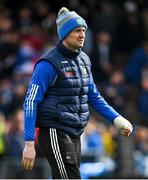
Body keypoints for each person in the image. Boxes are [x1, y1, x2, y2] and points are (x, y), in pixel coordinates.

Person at [22, 7, 133, 179]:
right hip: (54, 131)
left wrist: (117, 119)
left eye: (83, 30)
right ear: (65, 34)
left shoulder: (84, 60)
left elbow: (94, 96)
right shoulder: (48, 63)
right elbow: (30, 101)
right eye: (77, 31)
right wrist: (29, 142)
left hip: (74, 132)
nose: (82, 35)